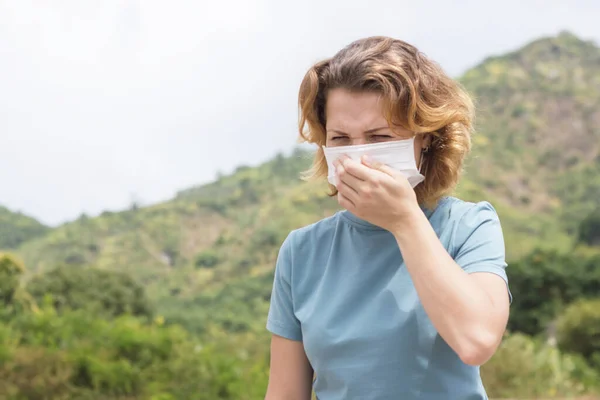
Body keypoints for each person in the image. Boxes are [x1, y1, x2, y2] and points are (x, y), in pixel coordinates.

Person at [264, 36, 511, 400]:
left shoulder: (469, 227)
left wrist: (404, 220)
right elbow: (285, 393)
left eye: (379, 137)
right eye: (341, 138)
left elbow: (476, 341)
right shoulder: (302, 251)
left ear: (424, 137)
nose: (358, 155)